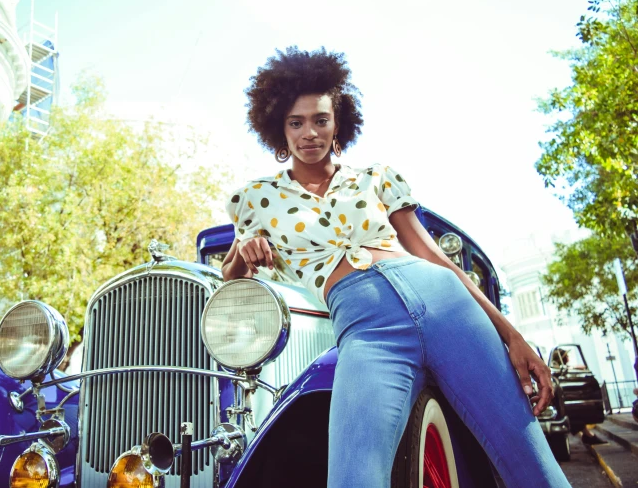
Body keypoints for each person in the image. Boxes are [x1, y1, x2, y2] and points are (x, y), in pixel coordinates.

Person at [221, 47, 571, 488]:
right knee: (353, 478)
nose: (309, 133)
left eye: (321, 120)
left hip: (447, 305)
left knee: (533, 468)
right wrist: (247, 249)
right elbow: (232, 278)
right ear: (278, 127)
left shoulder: (377, 177)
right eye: (296, 122)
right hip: (368, 330)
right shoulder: (255, 199)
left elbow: (432, 255)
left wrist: (512, 335)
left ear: (338, 123)